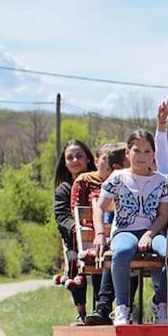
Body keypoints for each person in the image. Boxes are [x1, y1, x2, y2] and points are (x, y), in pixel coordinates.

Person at [92, 130, 168, 326]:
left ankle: (160, 302)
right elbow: (100, 207)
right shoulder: (118, 178)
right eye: (137, 150)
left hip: (152, 231)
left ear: (153, 155)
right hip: (125, 231)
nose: (142, 156)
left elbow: (164, 215)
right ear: (128, 153)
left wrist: (150, 233)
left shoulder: (161, 181)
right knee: (121, 251)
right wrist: (100, 233)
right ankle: (122, 307)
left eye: (147, 151)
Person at [71, 143, 125, 321]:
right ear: (96, 161)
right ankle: (101, 307)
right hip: (96, 233)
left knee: (120, 252)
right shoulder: (87, 181)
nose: (108, 166)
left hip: (119, 233)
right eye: (104, 159)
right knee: (110, 253)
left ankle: (120, 307)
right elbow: (81, 209)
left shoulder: (126, 180)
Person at [53, 139, 97, 324]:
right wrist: (78, 229)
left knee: (101, 267)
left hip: (98, 238)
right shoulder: (63, 189)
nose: (75, 160)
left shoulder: (97, 182)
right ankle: (81, 310)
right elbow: (61, 216)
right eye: (70, 157)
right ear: (65, 162)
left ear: (87, 159)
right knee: (73, 261)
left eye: (79, 156)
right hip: (73, 240)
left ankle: (99, 310)